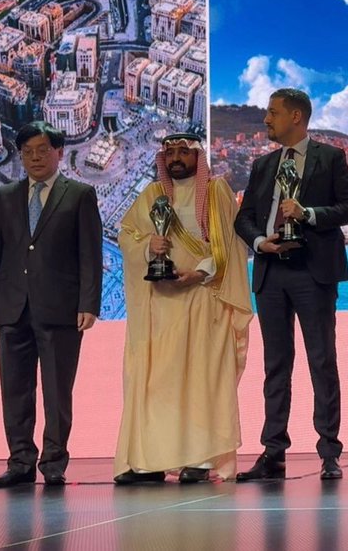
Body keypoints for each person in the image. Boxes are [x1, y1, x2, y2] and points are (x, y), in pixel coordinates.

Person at [234, 88, 348, 481]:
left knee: (322, 361)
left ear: (296, 116)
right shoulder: (262, 165)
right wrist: (260, 242)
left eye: (272, 113)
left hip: (313, 271)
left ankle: (329, 453)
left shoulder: (330, 157)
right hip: (271, 272)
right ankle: (273, 452)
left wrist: (307, 213)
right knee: (276, 366)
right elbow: (245, 219)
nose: (266, 120)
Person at [114, 133, 253, 484]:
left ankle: (202, 460)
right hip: (162, 304)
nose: (176, 158)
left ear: (197, 157)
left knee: (202, 380)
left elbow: (232, 245)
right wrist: (149, 246)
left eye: (183, 152)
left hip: (206, 298)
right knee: (157, 382)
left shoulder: (218, 191)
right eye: (170, 152)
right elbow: (127, 234)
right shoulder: (152, 195)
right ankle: (150, 461)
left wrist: (199, 272)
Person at [0, 121, 101, 487]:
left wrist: (89, 303)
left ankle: (53, 463)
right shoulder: (5, 196)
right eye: (27, 152)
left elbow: (90, 255)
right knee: (15, 389)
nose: (34, 158)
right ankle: (20, 461)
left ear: (59, 152)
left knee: (56, 391)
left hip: (61, 309)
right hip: (12, 307)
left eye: (42, 150)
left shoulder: (79, 194)